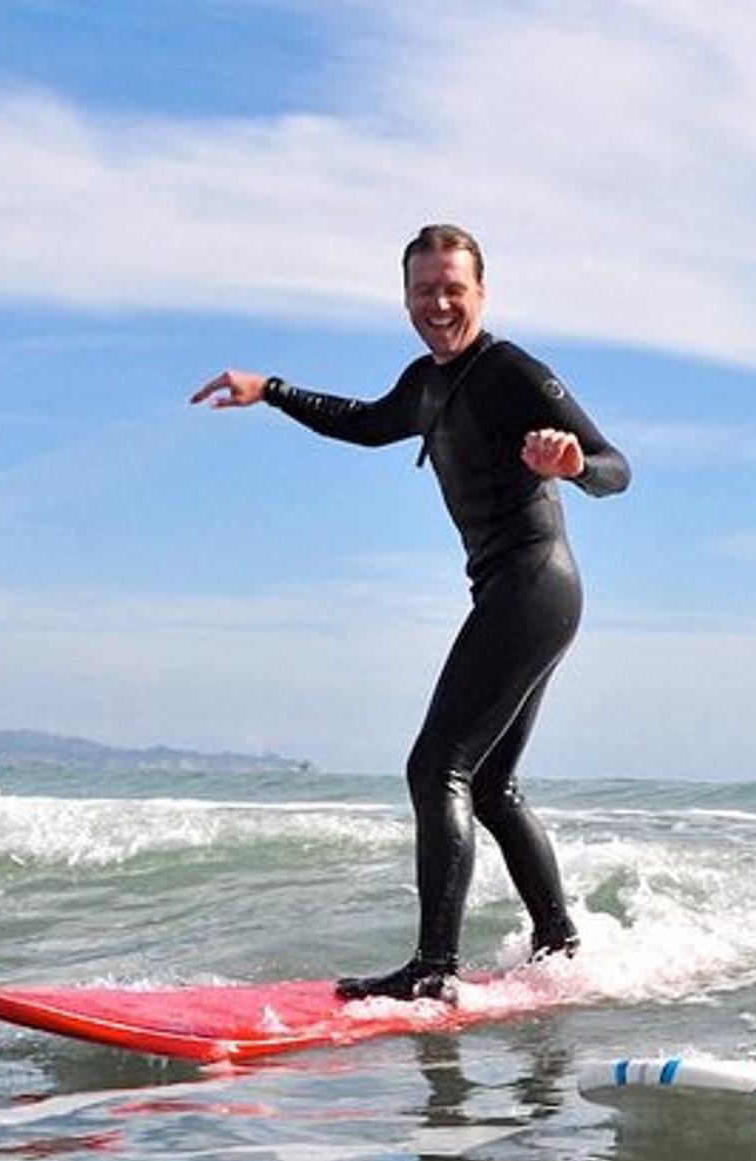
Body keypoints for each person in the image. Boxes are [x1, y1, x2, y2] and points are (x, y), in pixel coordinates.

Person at [190, 224, 631, 1001]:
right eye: (424, 290)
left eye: (454, 288)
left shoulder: (513, 370)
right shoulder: (426, 383)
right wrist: (273, 390)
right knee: (489, 783)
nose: (439, 303)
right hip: (516, 593)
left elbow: (616, 467)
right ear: (405, 298)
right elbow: (364, 423)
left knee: (436, 766)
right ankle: (559, 944)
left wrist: (573, 464)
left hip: (535, 584)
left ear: (481, 293)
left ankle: (433, 969)